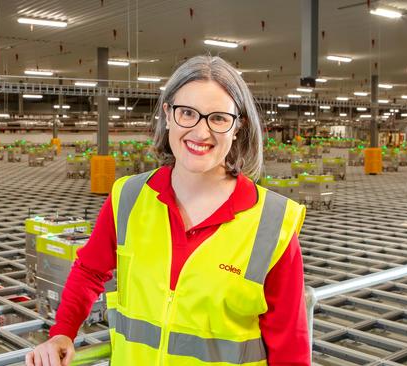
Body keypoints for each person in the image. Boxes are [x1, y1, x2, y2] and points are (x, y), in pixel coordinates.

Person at [26, 55, 309, 366]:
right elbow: (90, 270)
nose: (201, 133)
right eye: (187, 113)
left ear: (237, 127)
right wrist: (63, 332)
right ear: (168, 115)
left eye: (218, 118)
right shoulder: (129, 197)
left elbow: (290, 346)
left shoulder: (271, 224)